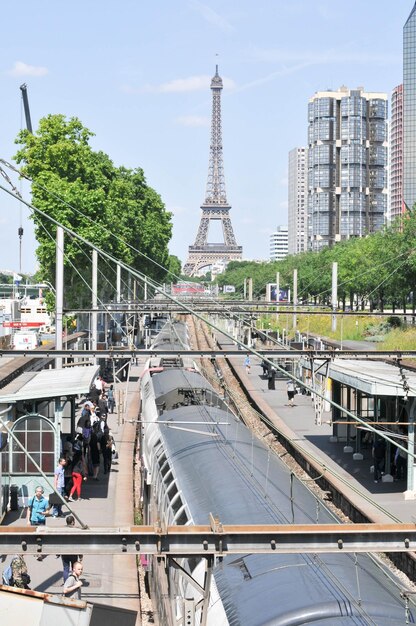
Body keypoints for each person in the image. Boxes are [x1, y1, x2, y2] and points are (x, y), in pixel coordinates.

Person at [61, 515, 83, 583]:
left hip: (64, 552)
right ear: (73, 522)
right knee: (74, 569)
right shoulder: (76, 530)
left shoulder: (62, 530)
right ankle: (75, 581)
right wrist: (80, 555)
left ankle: (66, 583)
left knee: (65, 569)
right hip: (74, 552)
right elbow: (79, 543)